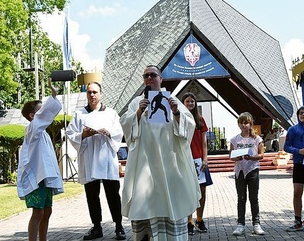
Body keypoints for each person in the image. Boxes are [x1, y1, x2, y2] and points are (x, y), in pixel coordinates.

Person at [120, 65, 201, 241]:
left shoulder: (173, 100)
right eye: (146, 75)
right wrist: (139, 112)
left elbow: (189, 126)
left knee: (170, 204)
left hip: (169, 166)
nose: (149, 78)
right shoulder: (136, 102)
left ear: (161, 78)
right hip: (144, 166)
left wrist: (177, 113)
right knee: (144, 207)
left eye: (153, 75)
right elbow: (126, 127)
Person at [66, 82, 126, 240]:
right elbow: (71, 133)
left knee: (113, 194)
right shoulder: (79, 114)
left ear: (101, 93)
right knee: (92, 195)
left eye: (95, 92)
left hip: (106, 159)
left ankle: (119, 226)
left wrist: (109, 132)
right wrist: (83, 135)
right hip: (89, 159)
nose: (92, 95)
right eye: (89, 92)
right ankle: (97, 227)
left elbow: (119, 131)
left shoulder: (111, 113)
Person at [17, 79, 64, 241]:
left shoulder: (42, 132)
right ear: (32, 116)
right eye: (40, 110)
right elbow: (45, 116)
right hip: (35, 178)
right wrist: (53, 95)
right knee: (38, 212)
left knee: (47, 211)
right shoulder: (32, 129)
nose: (44, 112)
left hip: (45, 178)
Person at [181, 92, 213, 235]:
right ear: (183, 103)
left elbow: (204, 142)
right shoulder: (179, 119)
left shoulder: (200, 120)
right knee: (188, 191)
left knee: (202, 191)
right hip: (186, 160)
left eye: (192, 101)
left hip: (199, 160)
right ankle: (189, 221)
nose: (190, 104)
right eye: (187, 101)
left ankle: (200, 220)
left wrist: (205, 159)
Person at [229, 112, 265, 236]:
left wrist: (252, 157)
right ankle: (240, 224)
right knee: (241, 198)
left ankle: (256, 223)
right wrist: (236, 158)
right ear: (238, 124)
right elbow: (231, 156)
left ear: (250, 124)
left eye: (246, 123)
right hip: (239, 171)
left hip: (252, 170)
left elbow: (261, 155)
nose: (244, 125)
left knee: (253, 198)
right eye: (241, 123)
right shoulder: (234, 139)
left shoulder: (257, 139)